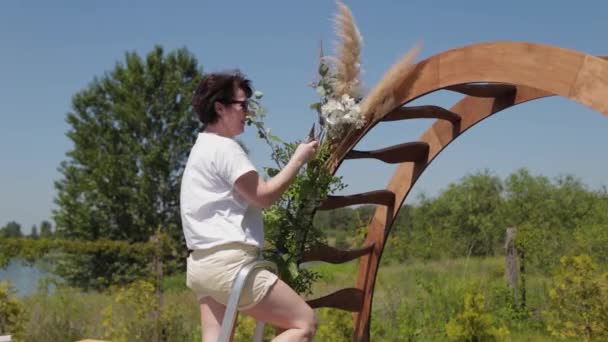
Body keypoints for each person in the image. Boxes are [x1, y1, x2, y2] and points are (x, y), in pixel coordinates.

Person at [181, 70, 319, 342]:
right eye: (242, 105)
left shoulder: (201, 148)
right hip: (231, 265)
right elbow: (263, 196)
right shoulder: (225, 148)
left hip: (201, 265)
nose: (248, 112)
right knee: (304, 323)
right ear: (219, 108)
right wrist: (298, 159)